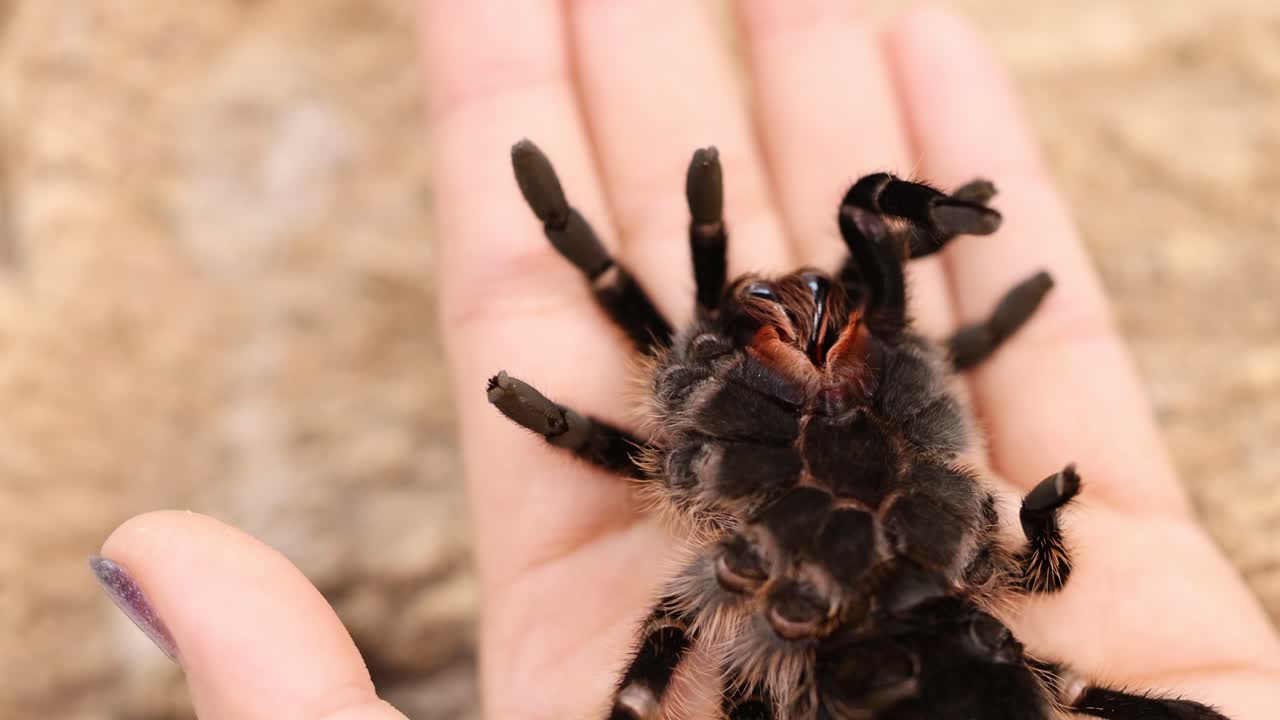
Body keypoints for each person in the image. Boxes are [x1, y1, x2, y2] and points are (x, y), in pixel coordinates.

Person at [91, 3, 1280, 718]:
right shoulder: (938, 480)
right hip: (968, 644)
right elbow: (1031, 572)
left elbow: (673, 643)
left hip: (878, 649)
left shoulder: (795, 508)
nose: (803, 309)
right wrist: (1043, 522)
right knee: (867, 212)